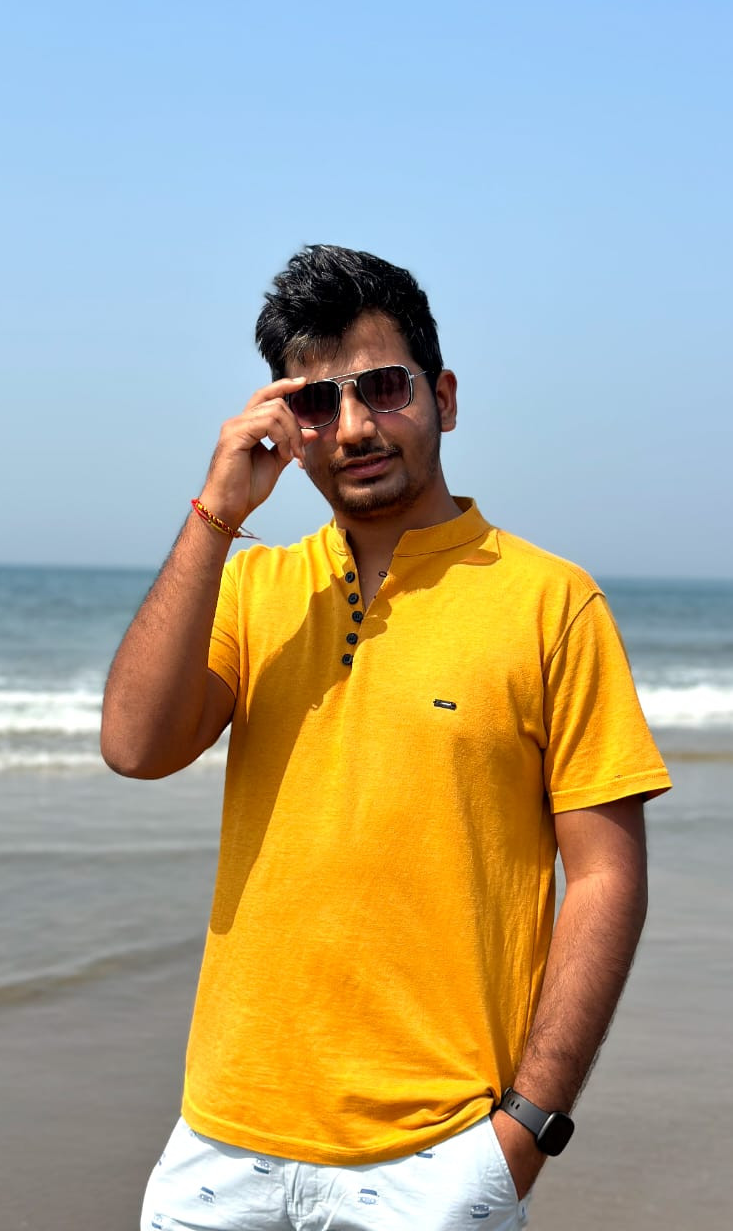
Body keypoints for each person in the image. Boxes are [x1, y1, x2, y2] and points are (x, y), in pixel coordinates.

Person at [101, 245, 672, 1230]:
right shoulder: (253, 587)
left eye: (384, 388)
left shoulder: (551, 602)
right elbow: (135, 744)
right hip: (221, 1142)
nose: (356, 427)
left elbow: (606, 877)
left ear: (442, 397)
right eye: (318, 403)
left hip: (437, 1155)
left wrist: (529, 1125)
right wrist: (217, 513)